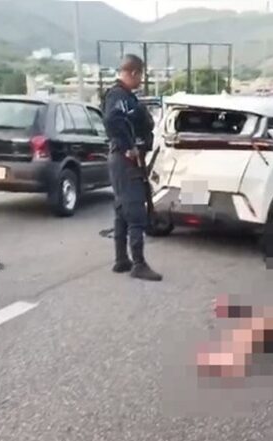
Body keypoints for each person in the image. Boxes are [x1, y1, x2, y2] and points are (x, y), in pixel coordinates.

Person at [103, 54, 162, 281]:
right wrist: (129, 147)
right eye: (141, 75)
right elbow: (112, 120)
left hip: (123, 159)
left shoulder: (125, 96)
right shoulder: (118, 95)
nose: (141, 80)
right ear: (134, 72)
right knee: (136, 210)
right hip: (124, 160)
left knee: (122, 210)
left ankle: (121, 259)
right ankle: (139, 263)